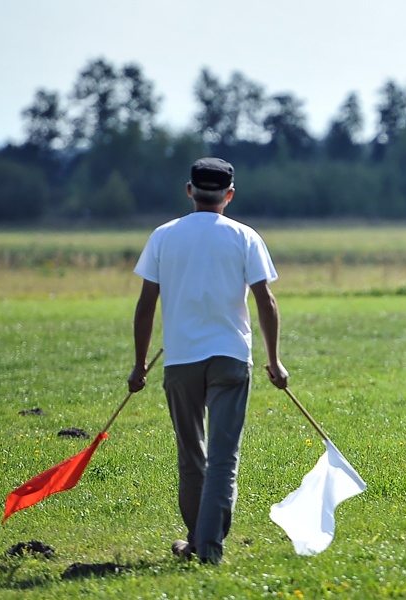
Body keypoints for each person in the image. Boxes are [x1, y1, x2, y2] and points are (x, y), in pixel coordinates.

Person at [127, 157, 289, 564]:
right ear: (229, 195)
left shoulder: (163, 236)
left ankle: (200, 542)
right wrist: (275, 360)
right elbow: (265, 301)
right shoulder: (245, 237)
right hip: (232, 359)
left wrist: (139, 364)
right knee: (223, 457)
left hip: (180, 361)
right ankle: (209, 546)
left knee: (191, 457)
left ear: (189, 191)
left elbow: (146, 305)